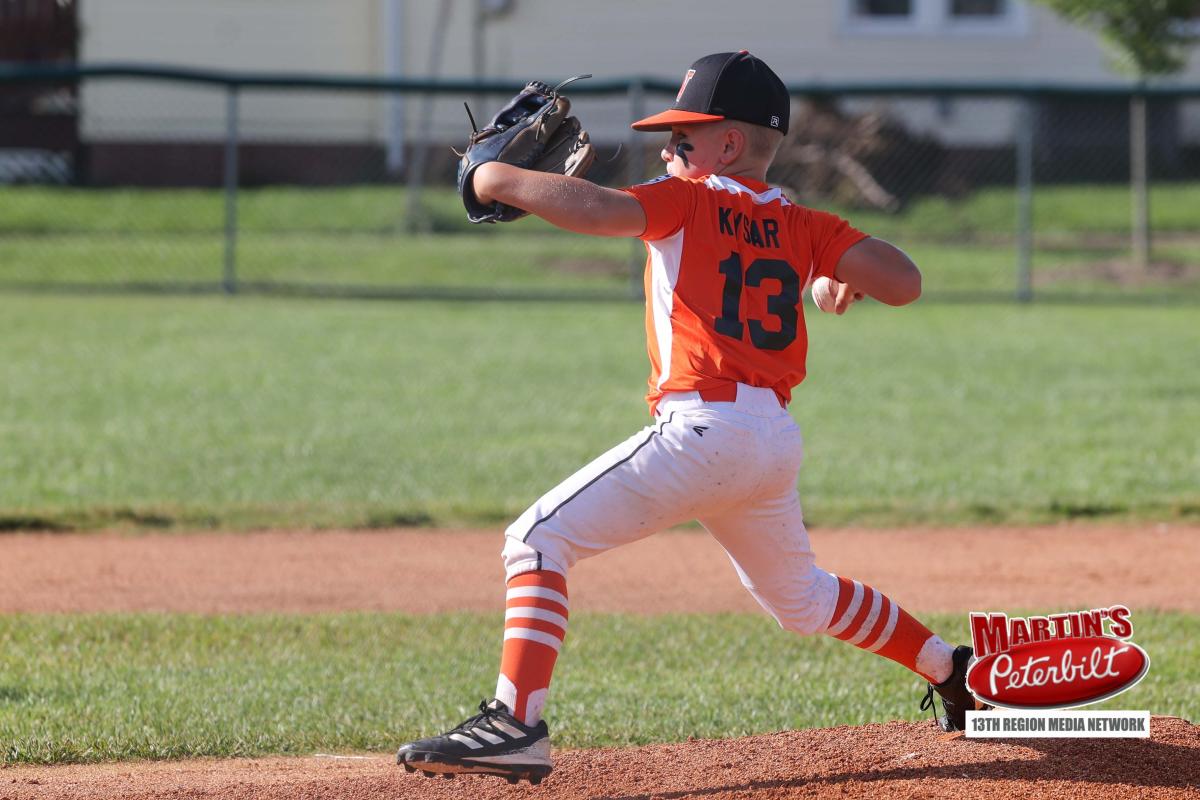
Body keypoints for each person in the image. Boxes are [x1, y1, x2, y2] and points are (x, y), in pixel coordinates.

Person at [396, 51, 981, 785]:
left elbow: (601, 210)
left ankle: (515, 725)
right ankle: (951, 669)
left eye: (683, 138)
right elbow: (904, 281)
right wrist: (834, 269)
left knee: (536, 540)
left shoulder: (690, 200)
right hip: (770, 442)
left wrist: (494, 177)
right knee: (801, 598)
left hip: (703, 432)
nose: (668, 150)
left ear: (728, 145)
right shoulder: (804, 223)